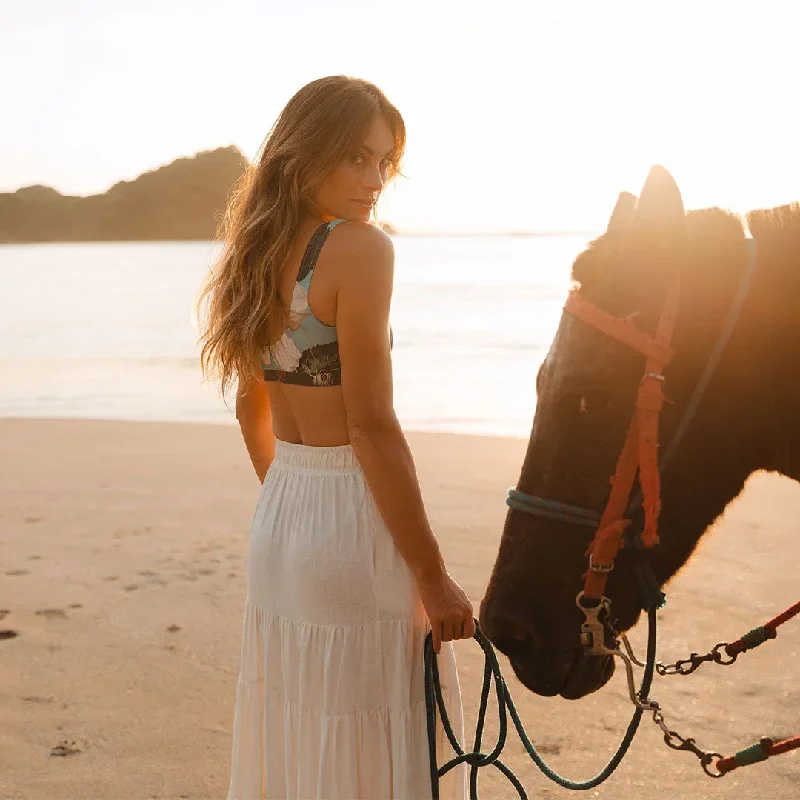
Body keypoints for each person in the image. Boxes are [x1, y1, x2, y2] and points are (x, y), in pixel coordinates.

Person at [196, 75, 474, 799]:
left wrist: (297, 504)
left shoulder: (252, 252)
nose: (376, 179)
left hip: (283, 519)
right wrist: (433, 576)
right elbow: (372, 426)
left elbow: (248, 411)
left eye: (385, 160)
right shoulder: (359, 249)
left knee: (296, 727)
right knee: (373, 744)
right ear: (305, 150)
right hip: (350, 521)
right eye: (357, 157)